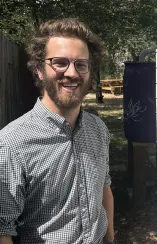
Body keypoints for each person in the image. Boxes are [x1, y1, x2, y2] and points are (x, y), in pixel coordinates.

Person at [0, 18, 115, 244]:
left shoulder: (98, 129)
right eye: (59, 62)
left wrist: (110, 239)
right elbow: (3, 230)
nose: (72, 73)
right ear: (40, 70)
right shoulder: (11, 145)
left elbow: (105, 189)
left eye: (81, 64)